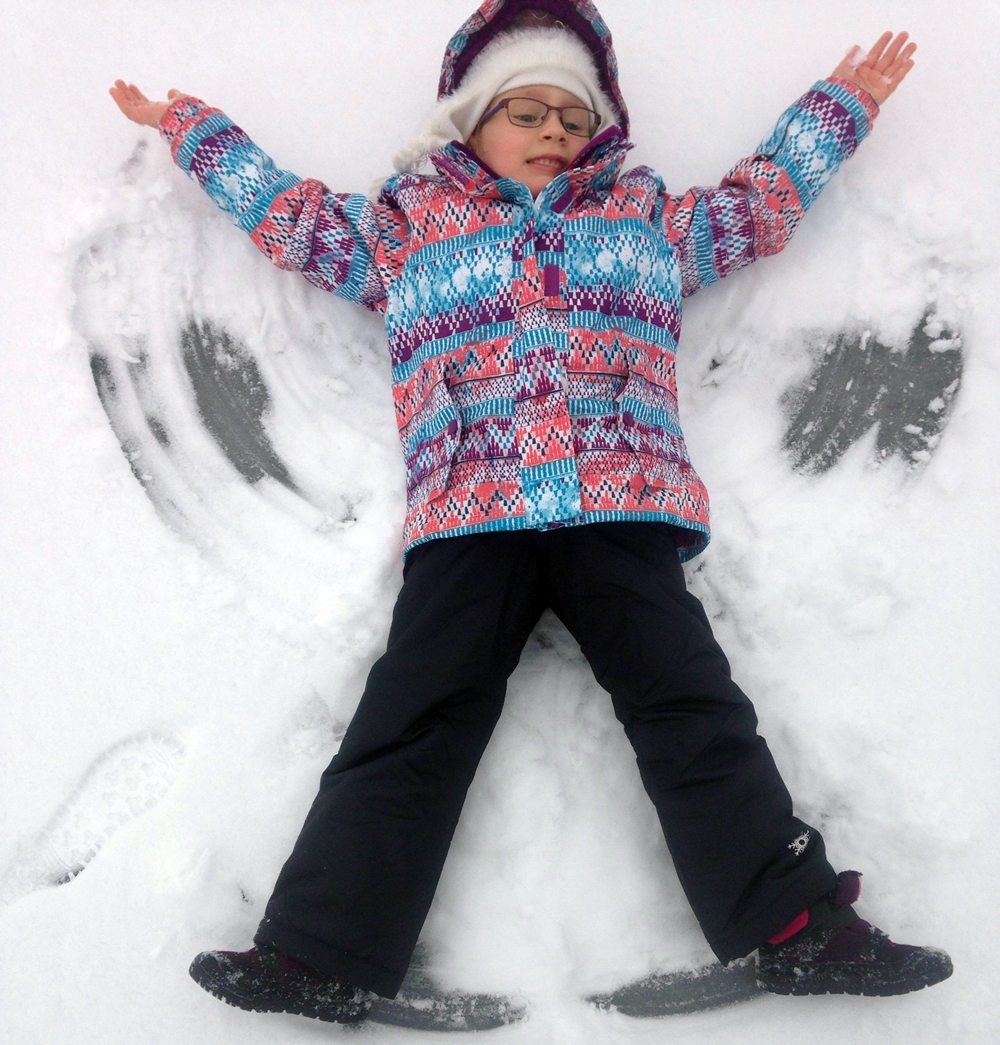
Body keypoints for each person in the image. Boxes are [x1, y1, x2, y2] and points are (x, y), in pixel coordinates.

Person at [110, 0, 950, 1026]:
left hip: (619, 506)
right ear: (468, 125)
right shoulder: (406, 227)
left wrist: (838, 109)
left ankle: (795, 929)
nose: (554, 130)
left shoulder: (643, 221)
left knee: (691, 709)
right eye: (527, 111)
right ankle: (317, 949)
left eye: (572, 115)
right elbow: (293, 217)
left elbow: (757, 202)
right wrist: (196, 130)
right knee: (413, 717)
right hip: (473, 516)